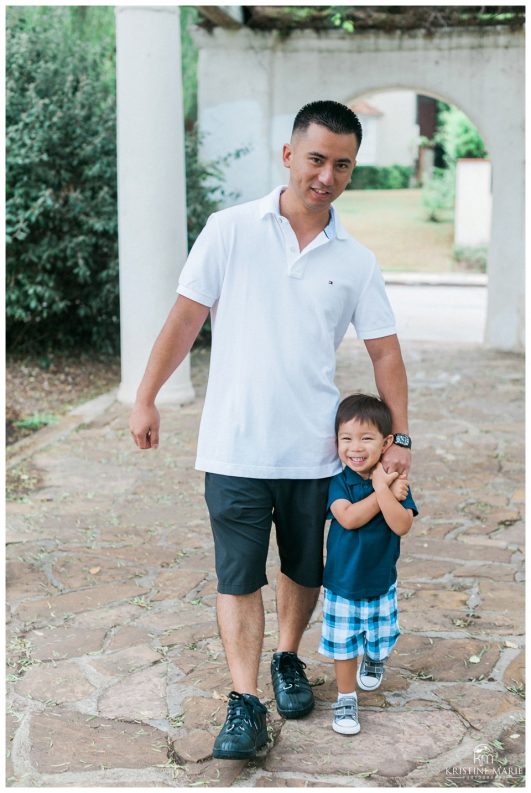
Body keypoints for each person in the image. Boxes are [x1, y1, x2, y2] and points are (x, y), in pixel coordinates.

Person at [129, 99, 412, 760]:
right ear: (288, 155)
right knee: (237, 575)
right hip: (234, 443)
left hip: (315, 451)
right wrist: (146, 396)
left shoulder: (358, 259)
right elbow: (183, 319)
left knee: (303, 567)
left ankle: (286, 655)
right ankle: (243, 701)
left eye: (341, 164)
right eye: (316, 158)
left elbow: (386, 354)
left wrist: (398, 441)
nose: (326, 175)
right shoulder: (229, 230)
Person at [319, 393, 417, 736]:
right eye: (346, 438)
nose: (355, 447)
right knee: (344, 643)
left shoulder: (396, 481)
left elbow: (401, 525)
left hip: (381, 580)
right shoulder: (339, 481)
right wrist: (381, 489)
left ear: (386, 442)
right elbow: (347, 518)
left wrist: (384, 486)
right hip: (342, 582)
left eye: (366, 438)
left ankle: (375, 657)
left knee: (381, 634)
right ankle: (346, 697)